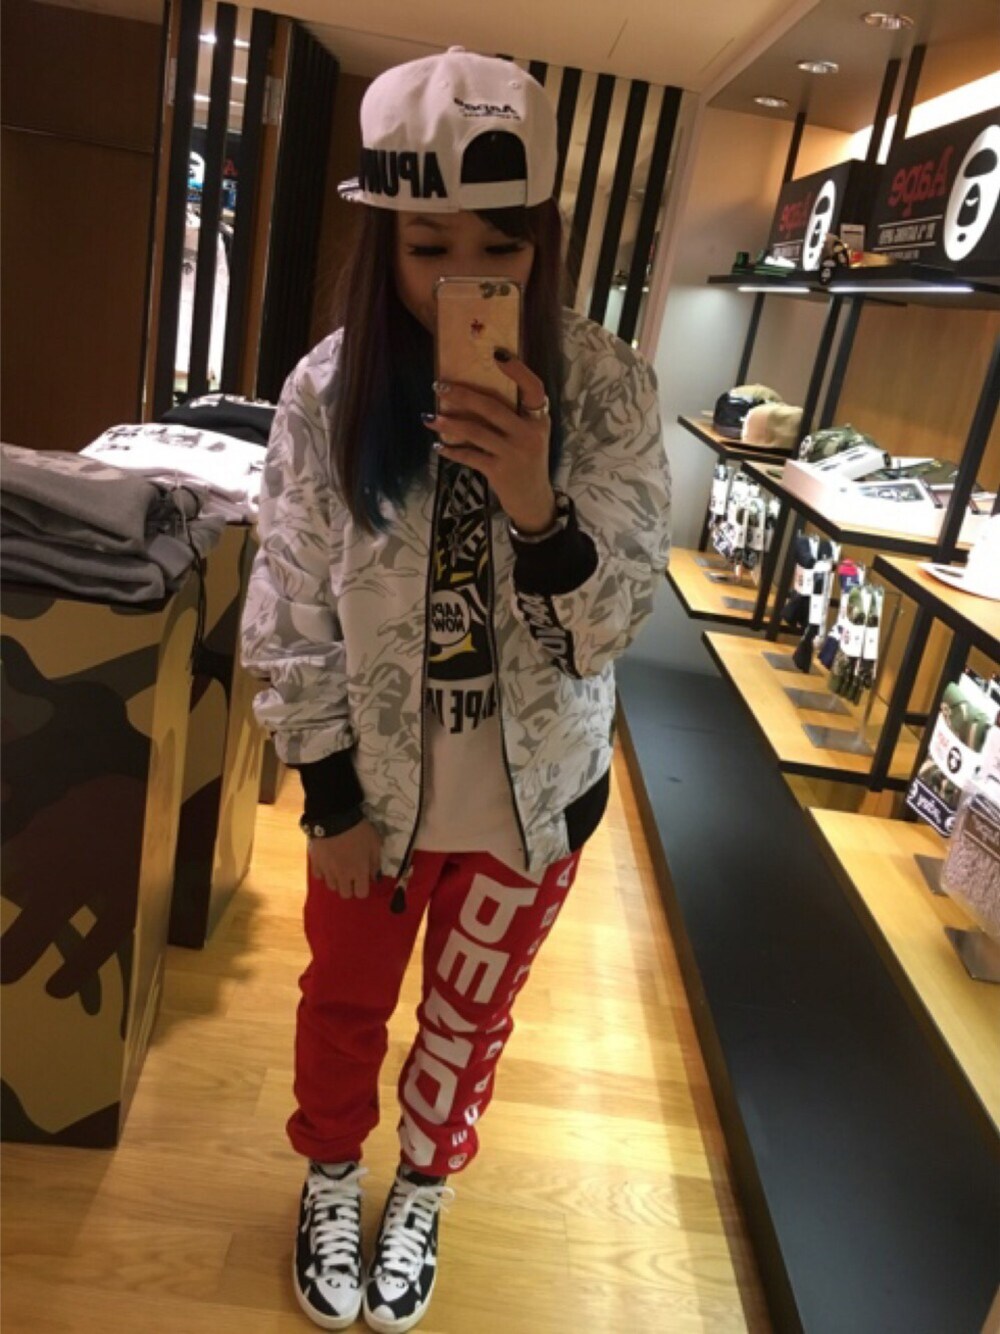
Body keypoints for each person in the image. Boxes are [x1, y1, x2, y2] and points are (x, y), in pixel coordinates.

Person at [240, 45, 671, 1334]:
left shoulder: (606, 386)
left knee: (468, 1019)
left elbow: (615, 626)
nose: (461, 279)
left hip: (534, 807)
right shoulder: (327, 393)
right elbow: (289, 611)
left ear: (545, 242)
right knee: (343, 1003)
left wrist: (538, 502)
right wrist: (329, 798)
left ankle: (423, 1185)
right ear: (383, 242)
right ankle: (332, 1173)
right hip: (372, 800)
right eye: (428, 246)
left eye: (501, 247)